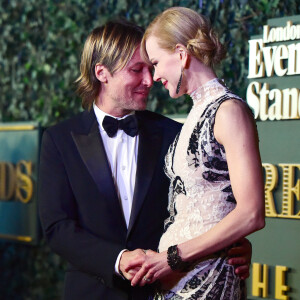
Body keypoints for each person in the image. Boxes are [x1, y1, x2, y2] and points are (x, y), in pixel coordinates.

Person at [38, 19, 253, 300]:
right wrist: (118, 259)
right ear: (102, 72)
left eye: (151, 69)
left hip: (166, 289)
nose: (149, 81)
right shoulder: (60, 140)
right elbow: (57, 227)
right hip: (92, 292)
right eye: (136, 70)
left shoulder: (175, 134)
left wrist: (233, 246)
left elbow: (205, 205)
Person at [126, 7, 265, 300]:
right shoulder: (192, 115)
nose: (154, 76)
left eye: (155, 63)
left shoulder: (229, 111)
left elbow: (251, 213)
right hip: (174, 284)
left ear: (181, 53)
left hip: (210, 281)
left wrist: (172, 258)